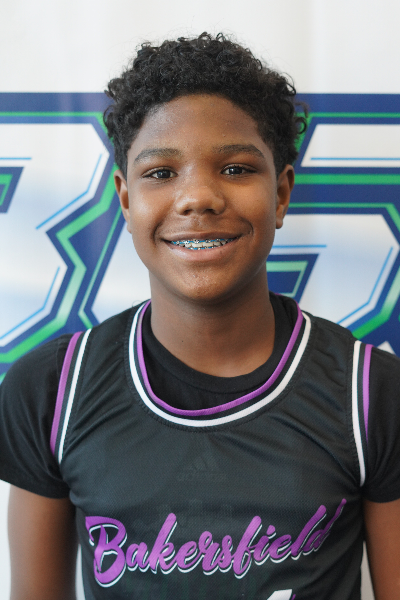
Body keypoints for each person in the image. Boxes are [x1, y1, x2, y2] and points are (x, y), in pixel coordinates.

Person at [1, 32, 399, 600]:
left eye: (235, 169)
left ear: (281, 194)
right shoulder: (51, 390)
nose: (198, 197)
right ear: (125, 199)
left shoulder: (372, 395)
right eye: (161, 173)